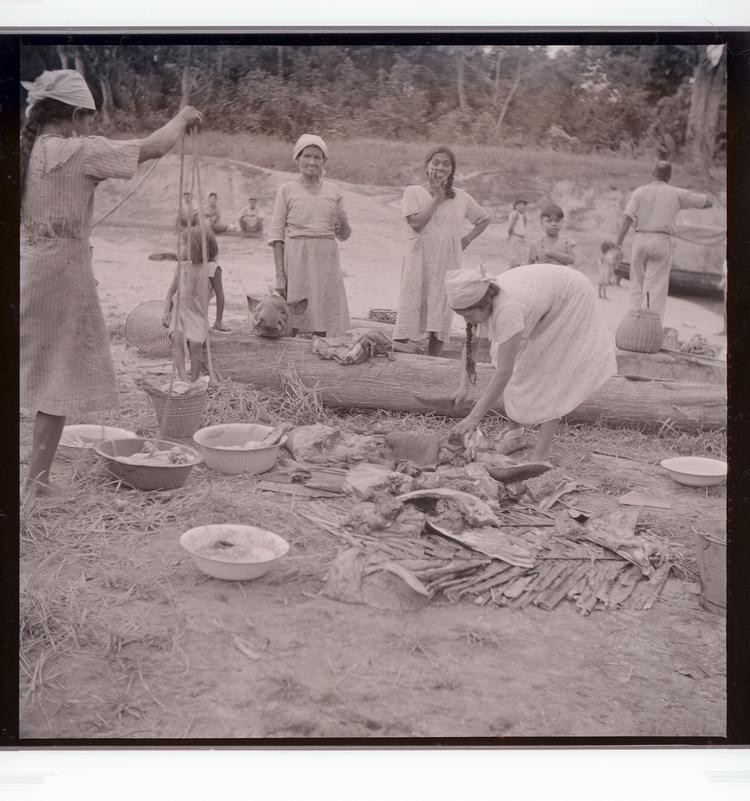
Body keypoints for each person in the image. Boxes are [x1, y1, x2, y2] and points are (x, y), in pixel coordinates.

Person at [20, 68, 202, 497]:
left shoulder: (23, 152)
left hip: (26, 263)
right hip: (62, 271)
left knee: (27, 366)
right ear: (76, 115)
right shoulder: (78, 151)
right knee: (58, 375)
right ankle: (37, 482)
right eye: (90, 117)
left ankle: (33, 479)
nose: (92, 126)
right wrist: (183, 117)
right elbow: (154, 146)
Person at [446, 265, 616, 462]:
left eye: (469, 315)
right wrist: (463, 387)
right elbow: (470, 344)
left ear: (484, 304)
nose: (467, 320)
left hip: (571, 298)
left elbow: (503, 372)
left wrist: (475, 417)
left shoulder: (507, 310)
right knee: (514, 360)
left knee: (547, 370)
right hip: (543, 295)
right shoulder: (482, 300)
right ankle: (515, 435)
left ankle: (540, 454)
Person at [393, 146, 490, 357]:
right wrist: (437, 198)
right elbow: (416, 224)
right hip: (419, 258)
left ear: (452, 170)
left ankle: (433, 363)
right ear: (426, 166)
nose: (440, 167)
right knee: (410, 305)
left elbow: (484, 219)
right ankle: (398, 359)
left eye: (446, 164)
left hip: (448, 262)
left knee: (440, 312)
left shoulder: (461, 197)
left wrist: (466, 240)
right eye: (435, 162)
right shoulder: (413, 192)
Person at [267, 133, 351, 336]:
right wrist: (280, 276)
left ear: (324, 162)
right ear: (297, 159)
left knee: (324, 315)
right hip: (297, 258)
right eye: (307, 156)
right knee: (295, 315)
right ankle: (291, 363)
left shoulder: (334, 190)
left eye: (317, 157)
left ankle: (320, 360)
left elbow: (344, 235)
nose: (312, 162)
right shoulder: (287, 190)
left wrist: (343, 223)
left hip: (326, 259)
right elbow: (276, 235)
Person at [614, 161, 713, 323]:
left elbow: (627, 218)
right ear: (669, 176)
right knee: (656, 287)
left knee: (637, 282)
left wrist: (618, 243)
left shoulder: (640, 191)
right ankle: (650, 327)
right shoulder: (676, 193)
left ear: (653, 173)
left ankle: (632, 323)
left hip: (641, 238)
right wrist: (681, 203)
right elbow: (708, 203)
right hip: (662, 240)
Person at [162, 227, 218, 381]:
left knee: (195, 345)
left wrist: (219, 321)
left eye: (185, 244)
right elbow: (170, 293)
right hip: (179, 312)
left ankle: (194, 378)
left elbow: (220, 296)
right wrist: (166, 311)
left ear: (198, 247)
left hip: (197, 315)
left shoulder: (210, 269)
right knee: (176, 337)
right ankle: (182, 378)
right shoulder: (181, 268)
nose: (181, 248)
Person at [507, 199, 528, 268]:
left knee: (520, 258)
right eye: (520, 205)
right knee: (515, 259)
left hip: (521, 238)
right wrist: (510, 235)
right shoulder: (515, 213)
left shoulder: (522, 216)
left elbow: (523, 226)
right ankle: (509, 273)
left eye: (524, 205)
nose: (522, 207)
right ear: (515, 206)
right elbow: (511, 226)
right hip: (516, 237)